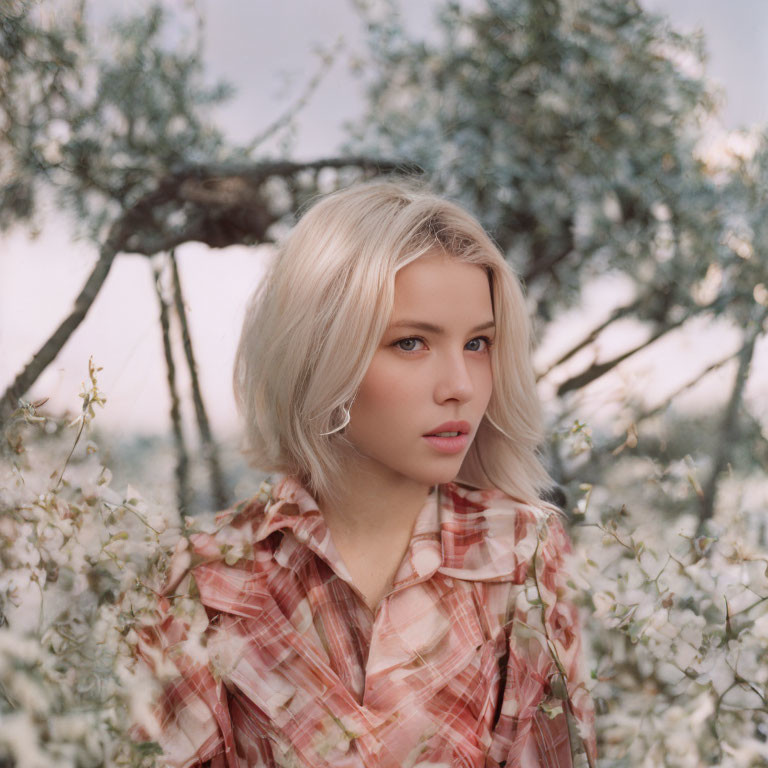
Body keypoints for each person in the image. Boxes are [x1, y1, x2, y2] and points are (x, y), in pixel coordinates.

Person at [133, 179, 598, 767]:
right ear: (323, 354)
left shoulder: (524, 553)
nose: (459, 386)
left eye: (478, 343)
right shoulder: (204, 578)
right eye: (411, 343)